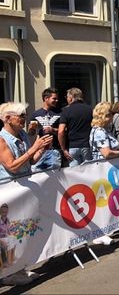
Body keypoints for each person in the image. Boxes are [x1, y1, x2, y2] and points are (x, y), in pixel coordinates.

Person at [0, 102, 51, 285]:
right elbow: (12, 165)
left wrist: (41, 148)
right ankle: (8, 275)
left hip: (23, 189)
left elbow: (30, 162)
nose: (24, 119)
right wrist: (33, 148)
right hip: (8, 192)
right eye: (20, 116)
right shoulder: (2, 139)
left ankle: (19, 269)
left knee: (22, 232)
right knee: (8, 235)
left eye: (24, 115)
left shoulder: (22, 135)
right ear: (7, 119)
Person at [58, 88, 93, 166]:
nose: (67, 99)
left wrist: (63, 149)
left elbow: (61, 131)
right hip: (87, 145)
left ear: (71, 97)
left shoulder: (66, 110)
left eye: (67, 97)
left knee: (75, 175)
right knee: (89, 173)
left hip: (73, 146)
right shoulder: (90, 109)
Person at [29, 88, 62, 171]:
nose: (56, 100)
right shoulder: (36, 114)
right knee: (35, 175)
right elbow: (31, 134)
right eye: (54, 98)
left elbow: (65, 130)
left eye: (57, 98)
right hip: (40, 151)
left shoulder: (60, 113)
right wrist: (31, 129)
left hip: (54, 150)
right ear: (46, 98)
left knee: (55, 179)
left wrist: (53, 130)